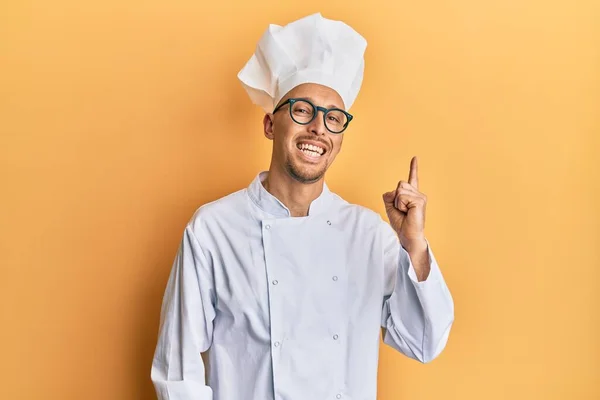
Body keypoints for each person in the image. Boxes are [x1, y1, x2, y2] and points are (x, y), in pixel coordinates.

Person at [150, 12, 454, 400]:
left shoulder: (369, 234)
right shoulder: (213, 229)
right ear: (269, 125)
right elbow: (178, 370)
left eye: (333, 118)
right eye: (302, 110)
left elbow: (424, 343)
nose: (318, 128)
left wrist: (415, 245)